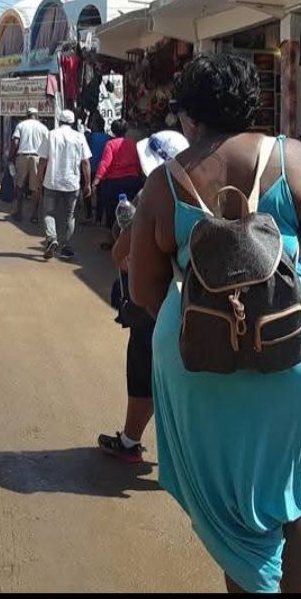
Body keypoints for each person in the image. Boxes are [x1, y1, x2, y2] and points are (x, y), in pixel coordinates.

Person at [128, 53, 301, 594]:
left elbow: (143, 292)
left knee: (233, 502)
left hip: (200, 367)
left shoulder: (163, 184)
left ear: (189, 117)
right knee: (296, 491)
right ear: (250, 105)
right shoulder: (292, 159)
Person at [98, 130, 189, 464]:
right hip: (195, 303)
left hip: (153, 302)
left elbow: (121, 251)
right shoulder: (207, 191)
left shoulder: (151, 194)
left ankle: (130, 441)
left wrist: (125, 227)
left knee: (144, 371)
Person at [35, 109, 91, 260]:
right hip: (72, 183)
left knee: (48, 213)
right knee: (70, 216)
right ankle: (66, 246)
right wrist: (88, 183)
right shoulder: (79, 137)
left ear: (59, 121)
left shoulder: (51, 134)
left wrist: (39, 179)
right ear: (72, 122)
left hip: (52, 181)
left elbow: (43, 161)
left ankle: (52, 238)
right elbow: (85, 162)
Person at [92, 120, 143, 248]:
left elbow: (105, 163)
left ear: (113, 131)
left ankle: (113, 242)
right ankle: (128, 242)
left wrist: (97, 180)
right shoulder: (133, 144)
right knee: (130, 212)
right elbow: (138, 163)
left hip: (113, 184)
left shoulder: (110, 144)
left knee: (112, 212)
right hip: (132, 181)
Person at [9, 107, 49, 223]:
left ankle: (18, 211)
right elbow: (47, 145)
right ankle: (34, 214)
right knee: (36, 187)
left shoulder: (21, 125)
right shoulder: (43, 128)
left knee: (19, 184)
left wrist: (11, 156)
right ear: (37, 116)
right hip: (37, 157)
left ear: (27, 115)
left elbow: (15, 142)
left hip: (22, 156)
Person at [86, 113, 110, 224]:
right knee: (101, 194)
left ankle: (89, 214)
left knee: (87, 191)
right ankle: (99, 218)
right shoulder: (109, 138)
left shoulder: (90, 137)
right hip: (104, 170)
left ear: (95, 125)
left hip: (91, 168)